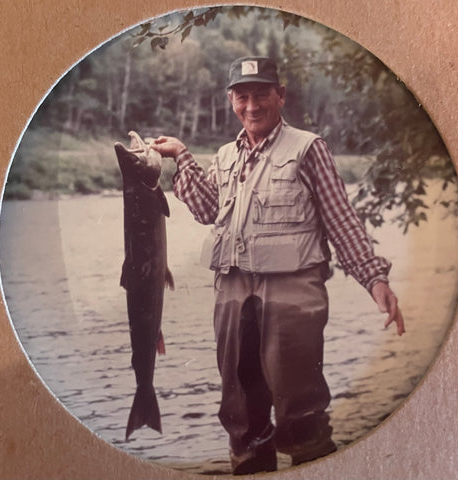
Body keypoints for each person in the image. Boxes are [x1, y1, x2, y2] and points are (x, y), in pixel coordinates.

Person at [150, 56, 405, 475]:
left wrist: (374, 279)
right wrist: (181, 156)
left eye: (261, 94)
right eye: (242, 96)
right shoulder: (226, 154)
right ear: (232, 100)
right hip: (232, 293)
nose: (252, 106)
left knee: (299, 409)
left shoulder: (308, 147)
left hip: (293, 293)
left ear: (280, 96)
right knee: (240, 411)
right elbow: (206, 208)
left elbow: (341, 218)